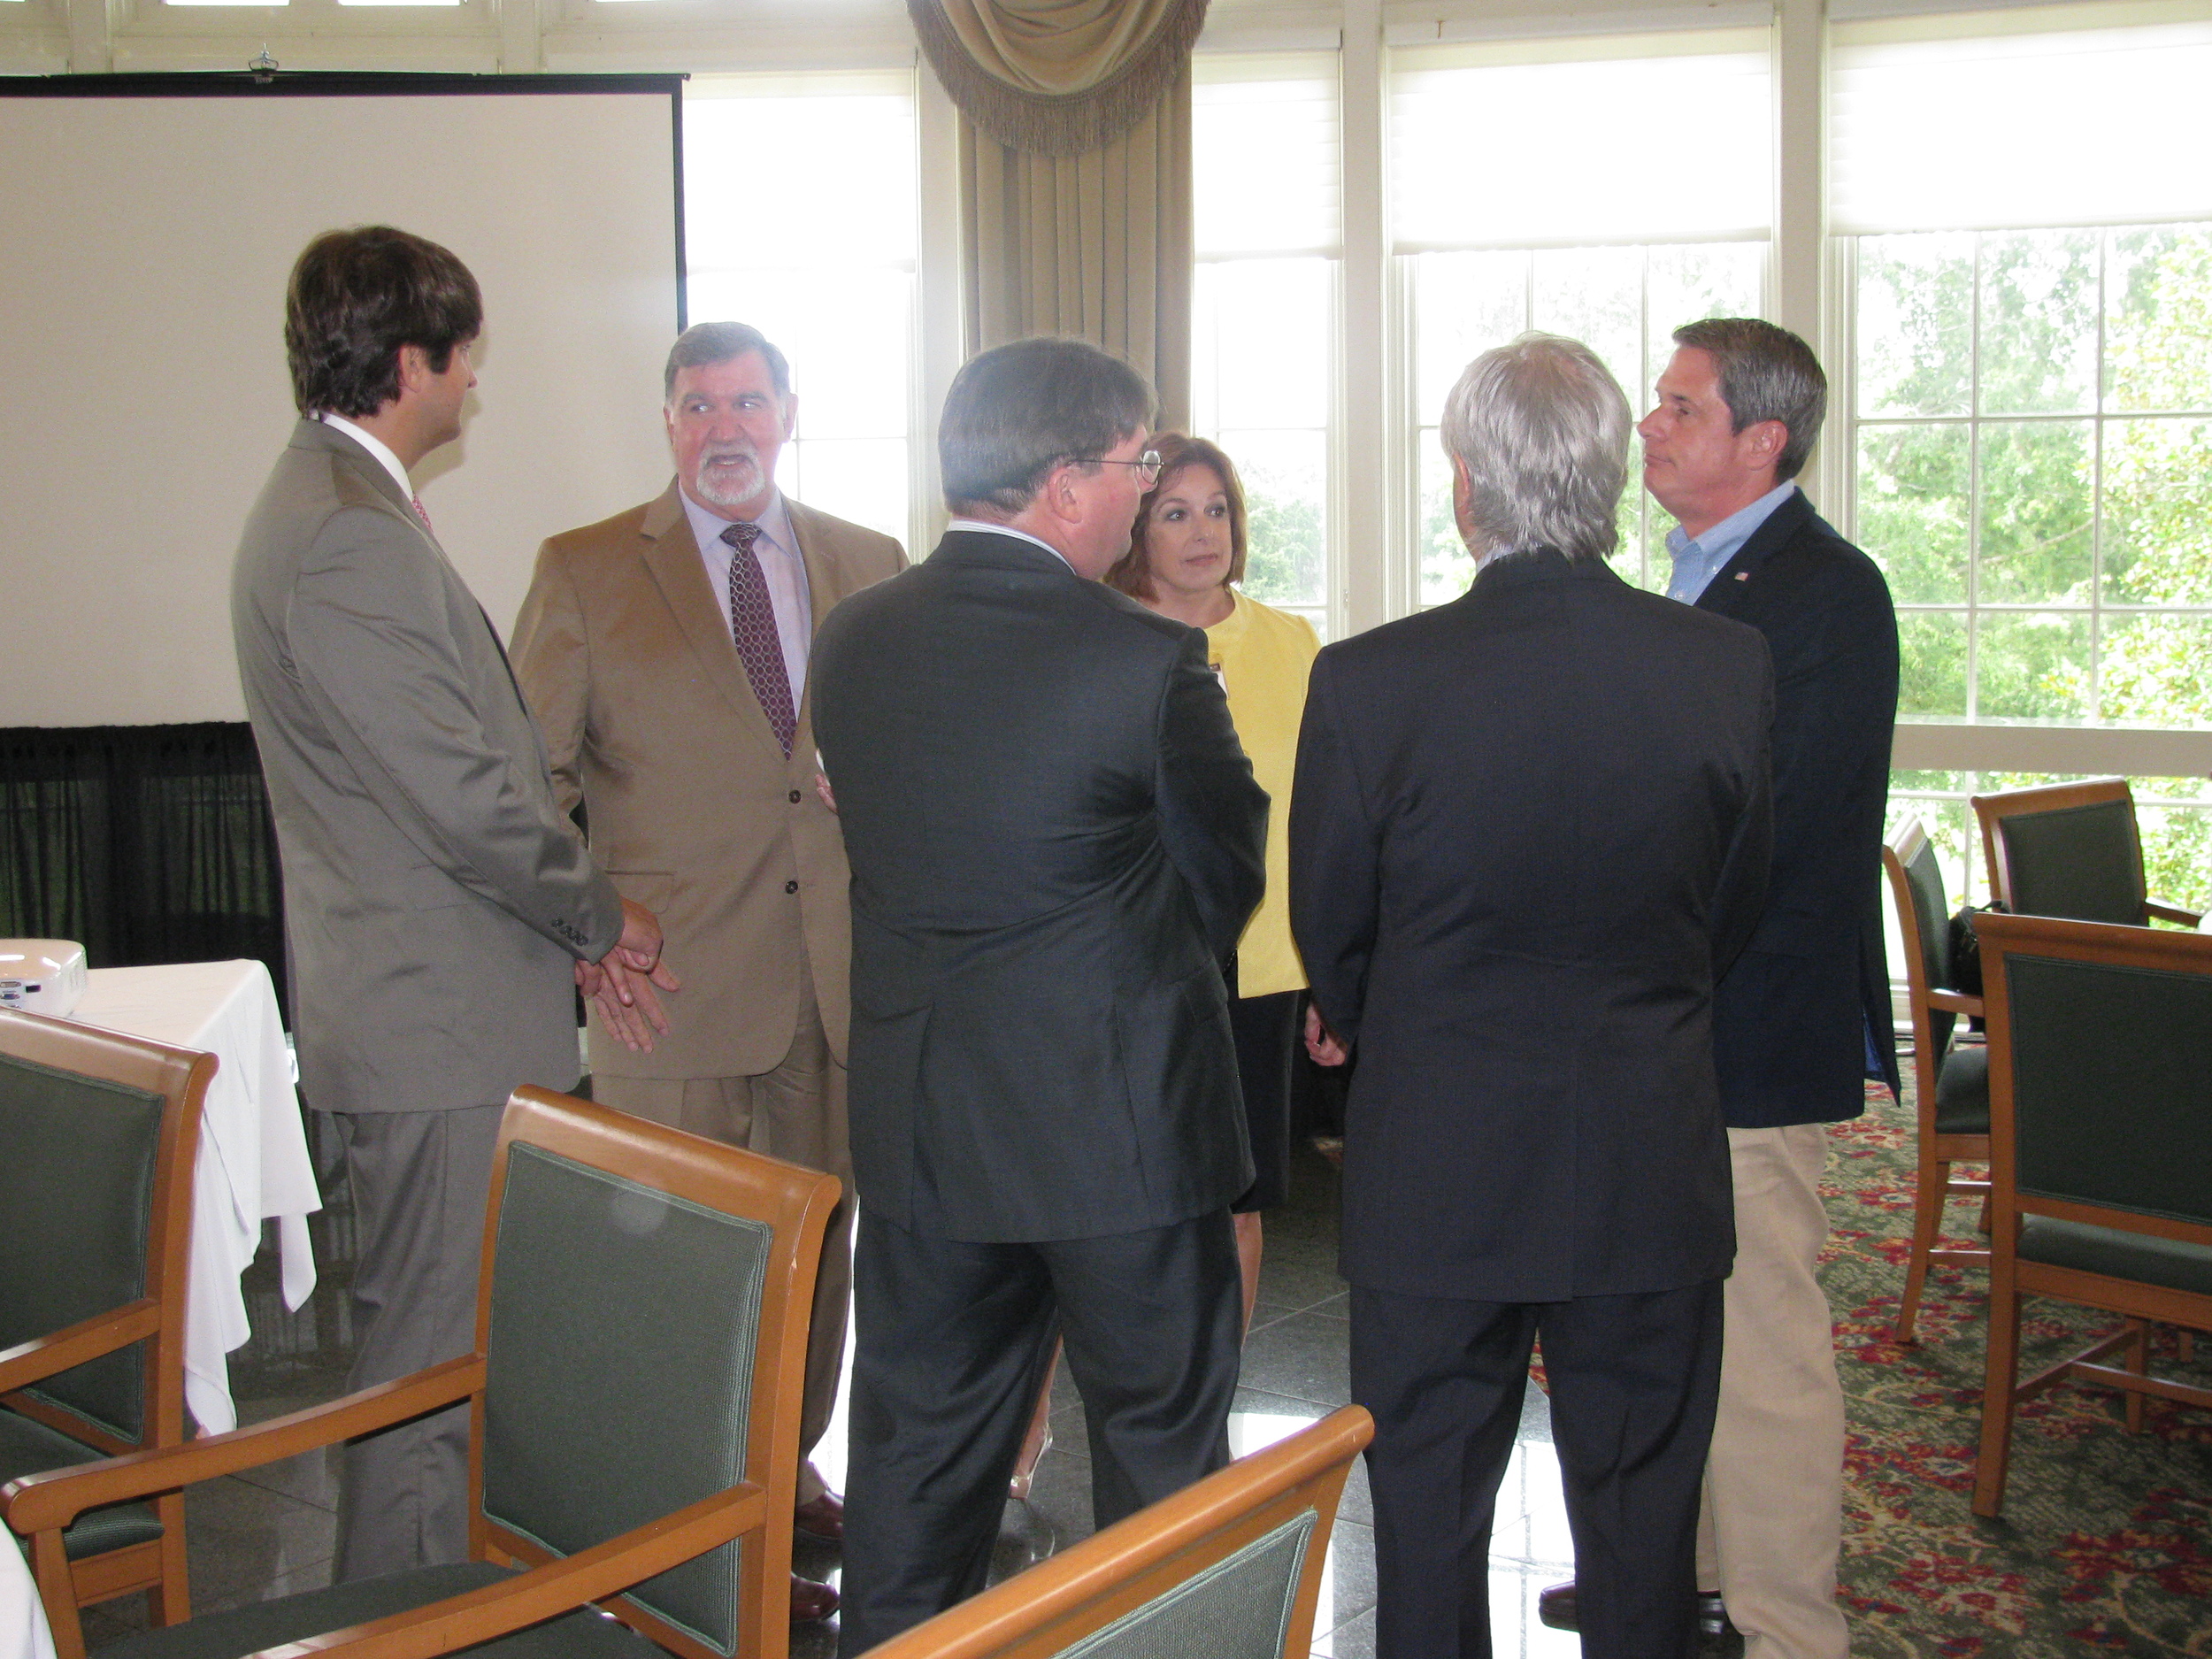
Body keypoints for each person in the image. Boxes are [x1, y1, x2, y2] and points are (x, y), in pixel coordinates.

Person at [1290, 332, 1775, 1659]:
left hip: (1439, 1159)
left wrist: (1379, 1006)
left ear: (1467, 484)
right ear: (1610, 475)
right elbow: (1729, 908)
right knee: (1641, 1517)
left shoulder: (1370, 680)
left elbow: (1332, 931)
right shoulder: (1723, 667)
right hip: (1643, 1149)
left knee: (1429, 1507)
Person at [810, 336, 1269, 1656]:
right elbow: (1221, 877)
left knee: (916, 1473)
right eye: (1136, 466)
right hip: (1122, 1139)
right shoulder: (1146, 661)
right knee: (1162, 1469)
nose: (1144, 494)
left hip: (930, 1136)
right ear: (1066, 481)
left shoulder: (853, 637)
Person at [232, 225, 675, 1580]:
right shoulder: (341, 536)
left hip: (441, 1017)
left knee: (445, 1347)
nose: (474, 382)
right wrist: (602, 920)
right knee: (429, 1368)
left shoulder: (339, 506)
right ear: (409, 359)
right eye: (464, 354)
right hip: (439, 1032)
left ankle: (443, 1599)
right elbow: (466, 796)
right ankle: (409, 1619)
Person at [511, 322, 904, 1618]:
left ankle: (783, 1477)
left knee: (821, 1257)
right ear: (667, 423)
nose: (723, 426)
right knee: (684, 1273)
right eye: (696, 405)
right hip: (665, 991)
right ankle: (690, 1537)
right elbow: (527, 787)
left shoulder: (871, 564)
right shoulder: (584, 571)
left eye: (746, 400)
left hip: (835, 984)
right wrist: (586, 928)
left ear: (789, 409)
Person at [1540, 319, 1897, 1659]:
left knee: (1763, 1343)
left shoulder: (1822, 591)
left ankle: (1791, 1622)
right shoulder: (1688, 576)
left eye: (1679, 408)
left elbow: (1770, 835)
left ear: (1764, 438)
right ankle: (1669, 1570)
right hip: (1662, 1025)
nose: (1648, 427)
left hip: (1743, 1026)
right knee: (1662, 1315)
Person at [1104, 434, 1321, 1324]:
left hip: (1263, 967)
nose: (1203, 533)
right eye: (1175, 513)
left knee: (1239, 1198)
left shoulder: (1291, 642)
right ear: (1137, 531)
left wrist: (1335, 966)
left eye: (1217, 509)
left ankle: (1216, 1421)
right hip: (1130, 969)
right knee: (1126, 1200)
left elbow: (1326, 810)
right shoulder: (1104, 638)